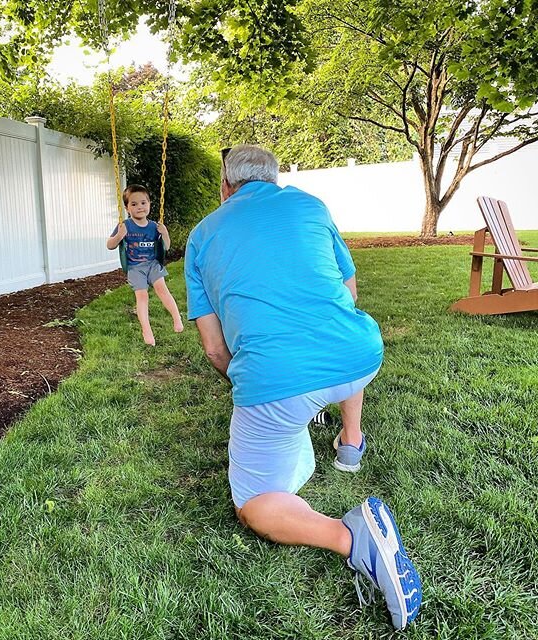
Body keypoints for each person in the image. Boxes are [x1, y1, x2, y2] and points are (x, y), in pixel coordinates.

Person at [184, 145, 422, 629]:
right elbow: (348, 294)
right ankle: (350, 441)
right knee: (334, 341)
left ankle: (351, 538)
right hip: (360, 355)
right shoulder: (311, 205)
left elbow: (213, 349)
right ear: (273, 181)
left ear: (226, 186)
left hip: (278, 382)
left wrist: (259, 384)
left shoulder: (202, 235)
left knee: (255, 504)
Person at [107, 184, 184, 346]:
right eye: (134, 204)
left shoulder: (154, 227)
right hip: (135, 267)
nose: (139, 207)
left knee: (163, 290)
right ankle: (146, 329)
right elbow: (110, 245)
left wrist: (165, 234)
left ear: (149, 204)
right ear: (127, 208)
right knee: (142, 296)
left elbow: (166, 246)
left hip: (153, 265)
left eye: (143, 203)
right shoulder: (125, 226)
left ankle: (177, 319)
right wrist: (119, 236)